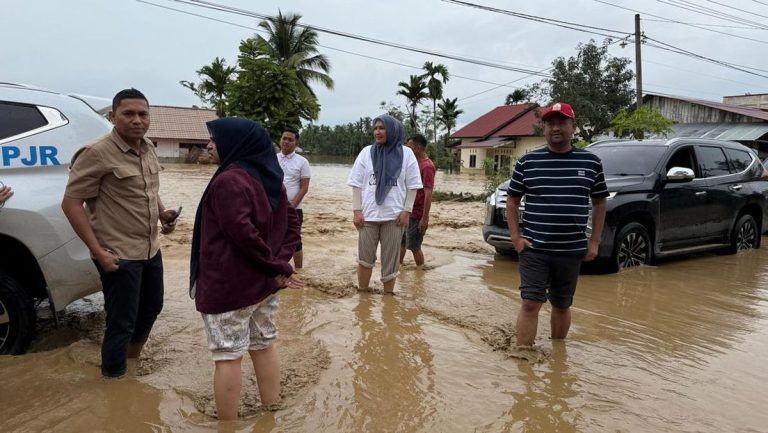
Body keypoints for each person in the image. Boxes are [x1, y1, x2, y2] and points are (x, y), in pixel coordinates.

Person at [189, 117, 302, 421]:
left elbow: (243, 236)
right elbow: (293, 225)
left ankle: (227, 427)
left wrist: (276, 265)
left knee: (227, 356)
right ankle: (272, 413)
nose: (209, 145)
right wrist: (280, 265)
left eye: (214, 139)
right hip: (266, 284)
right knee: (263, 345)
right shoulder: (270, 177)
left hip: (231, 285)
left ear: (235, 143)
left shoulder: (229, 181)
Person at [61, 88, 178, 378]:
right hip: (118, 253)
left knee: (152, 307)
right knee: (121, 321)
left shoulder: (148, 146)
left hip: (151, 248)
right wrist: (98, 251)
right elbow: (72, 204)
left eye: (142, 114)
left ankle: (131, 361)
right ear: (113, 117)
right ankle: (113, 381)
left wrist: (162, 213)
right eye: (129, 114)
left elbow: (149, 188)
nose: (137, 120)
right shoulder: (96, 153)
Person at [506, 102, 608, 347]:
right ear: (543, 128)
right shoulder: (527, 162)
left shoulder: (591, 162)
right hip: (534, 248)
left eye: (562, 122)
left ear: (574, 127)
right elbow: (511, 201)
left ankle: (558, 358)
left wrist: (594, 241)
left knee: (562, 304)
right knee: (530, 302)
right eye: (550, 123)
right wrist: (516, 238)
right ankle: (524, 357)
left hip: (571, 250)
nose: (555, 128)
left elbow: (600, 203)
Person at [347, 114, 422, 294]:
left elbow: (413, 185)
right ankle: (362, 296)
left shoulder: (406, 153)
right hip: (368, 216)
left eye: (382, 128)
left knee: (391, 260)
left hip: (394, 217)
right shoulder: (366, 152)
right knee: (364, 259)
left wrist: (407, 211)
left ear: (392, 130)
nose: (377, 132)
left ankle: (388, 298)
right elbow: (356, 183)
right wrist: (357, 211)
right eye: (375, 128)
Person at [399, 133, 436, 267]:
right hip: (406, 211)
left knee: (414, 246)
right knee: (401, 243)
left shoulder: (427, 166)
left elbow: (428, 193)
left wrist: (424, 218)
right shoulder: (413, 163)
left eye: (409, 147)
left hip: (417, 213)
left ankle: (420, 275)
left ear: (418, 148)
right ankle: (398, 269)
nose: (407, 150)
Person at [277, 127, 311, 269]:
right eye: (284, 138)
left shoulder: (302, 162)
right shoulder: (272, 158)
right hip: (273, 207)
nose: (286, 141)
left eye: (290, 139)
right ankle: (276, 270)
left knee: (295, 241)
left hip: (294, 209)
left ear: (296, 143)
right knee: (274, 239)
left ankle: (298, 271)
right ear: (280, 140)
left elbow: (304, 188)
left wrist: (291, 206)